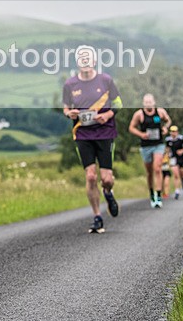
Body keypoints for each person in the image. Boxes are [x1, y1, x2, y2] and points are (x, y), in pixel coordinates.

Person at [63, 45, 123, 233]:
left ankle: (108, 191)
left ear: (94, 61)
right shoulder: (70, 85)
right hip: (82, 133)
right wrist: (69, 113)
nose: (85, 61)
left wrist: (107, 115)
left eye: (88, 57)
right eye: (82, 58)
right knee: (90, 176)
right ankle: (97, 216)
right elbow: (65, 107)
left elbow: (119, 103)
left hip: (104, 133)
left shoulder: (105, 80)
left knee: (106, 178)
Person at [128, 94, 171, 208]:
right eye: (146, 102)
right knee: (149, 172)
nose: (148, 104)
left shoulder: (160, 112)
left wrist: (165, 128)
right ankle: (151, 193)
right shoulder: (139, 114)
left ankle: (158, 195)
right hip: (146, 146)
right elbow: (131, 128)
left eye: (150, 102)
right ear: (143, 103)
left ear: (154, 102)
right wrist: (141, 134)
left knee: (157, 168)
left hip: (158, 144)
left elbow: (168, 121)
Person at [165, 125, 183, 199]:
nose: (173, 133)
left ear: (177, 132)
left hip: (181, 158)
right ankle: (177, 191)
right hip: (173, 158)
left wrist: (182, 150)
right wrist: (167, 155)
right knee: (176, 174)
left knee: (181, 173)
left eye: (175, 132)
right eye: (172, 132)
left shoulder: (181, 139)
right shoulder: (168, 140)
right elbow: (167, 148)